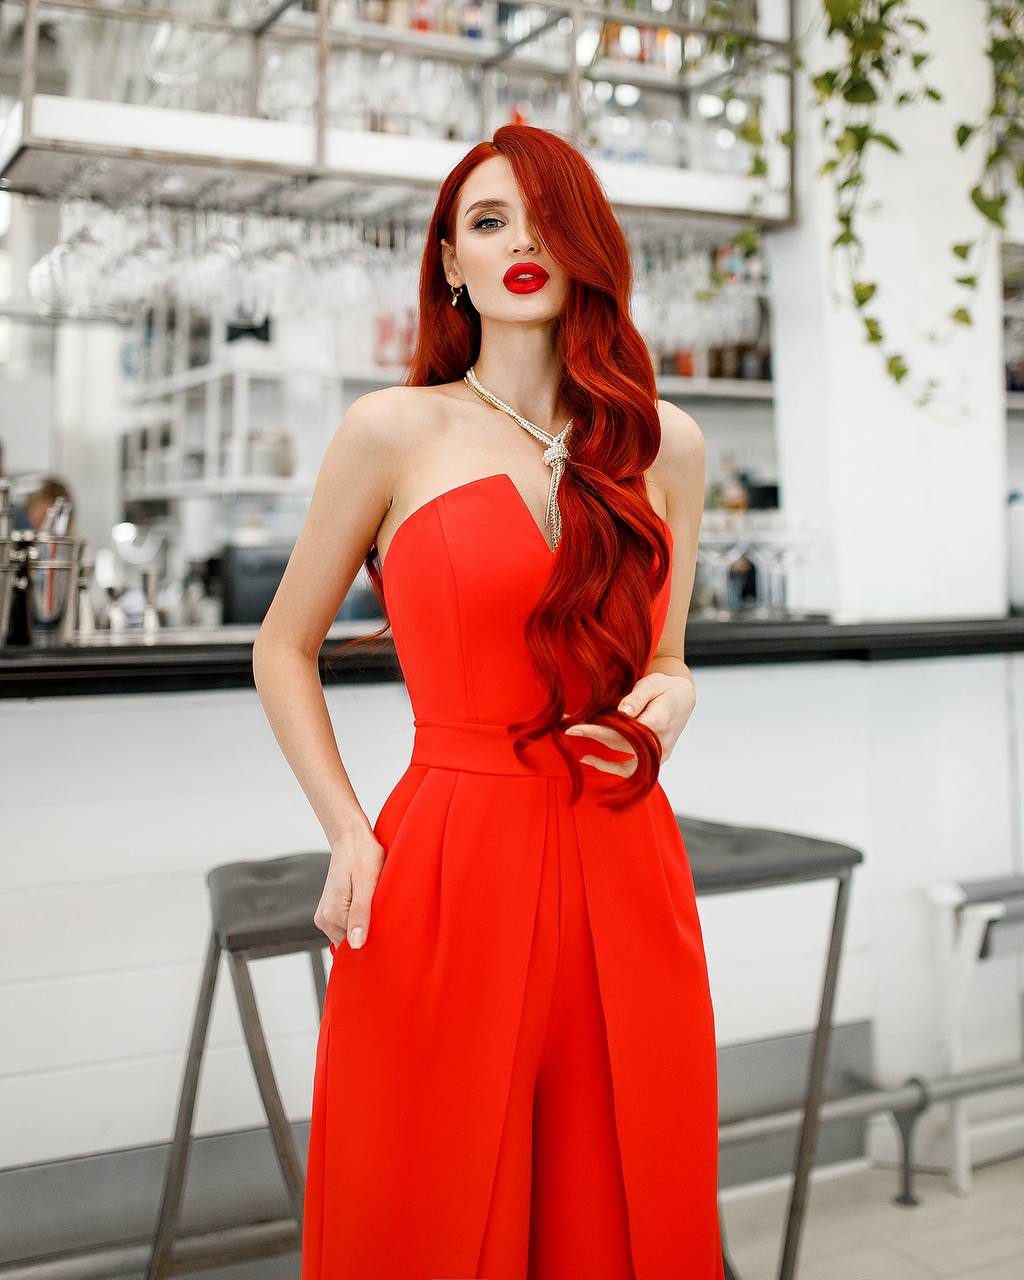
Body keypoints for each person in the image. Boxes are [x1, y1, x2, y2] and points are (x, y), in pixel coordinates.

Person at [253, 123, 723, 1279]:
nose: (520, 244)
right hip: (450, 849)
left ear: (587, 245)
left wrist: (668, 702)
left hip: (623, 846)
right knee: (428, 1182)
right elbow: (282, 646)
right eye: (486, 220)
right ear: (449, 265)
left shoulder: (667, 445)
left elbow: (668, 658)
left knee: (624, 1179)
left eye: (544, 217)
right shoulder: (392, 431)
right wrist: (349, 828)